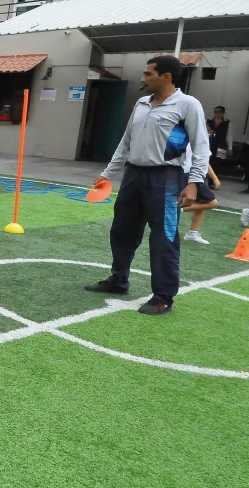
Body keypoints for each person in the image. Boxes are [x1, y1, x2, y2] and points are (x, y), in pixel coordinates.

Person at [84, 55, 210, 316]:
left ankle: (163, 296)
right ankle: (118, 280)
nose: (142, 79)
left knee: (164, 237)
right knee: (122, 231)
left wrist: (195, 182)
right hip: (133, 176)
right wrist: (108, 173)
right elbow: (125, 142)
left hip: (166, 179)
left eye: (147, 74)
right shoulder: (141, 103)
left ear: (166, 77)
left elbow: (201, 147)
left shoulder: (187, 104)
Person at [181, 143, 220, 245]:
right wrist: (215, 178)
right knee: (212, 203)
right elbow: (204, 161)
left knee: (202, 203)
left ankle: (193, 233)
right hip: (191, 174)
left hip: (186, 172)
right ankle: (178, 209)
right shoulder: (199, 139)